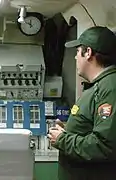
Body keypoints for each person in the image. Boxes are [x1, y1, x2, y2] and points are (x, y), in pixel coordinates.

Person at [48, 26, 116, 180]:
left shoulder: (110, 87)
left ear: (89, 53)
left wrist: (63, 140)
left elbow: (105, 146)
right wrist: (70, 130)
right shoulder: (97, 86)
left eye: (78, 52)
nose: (75, 57)